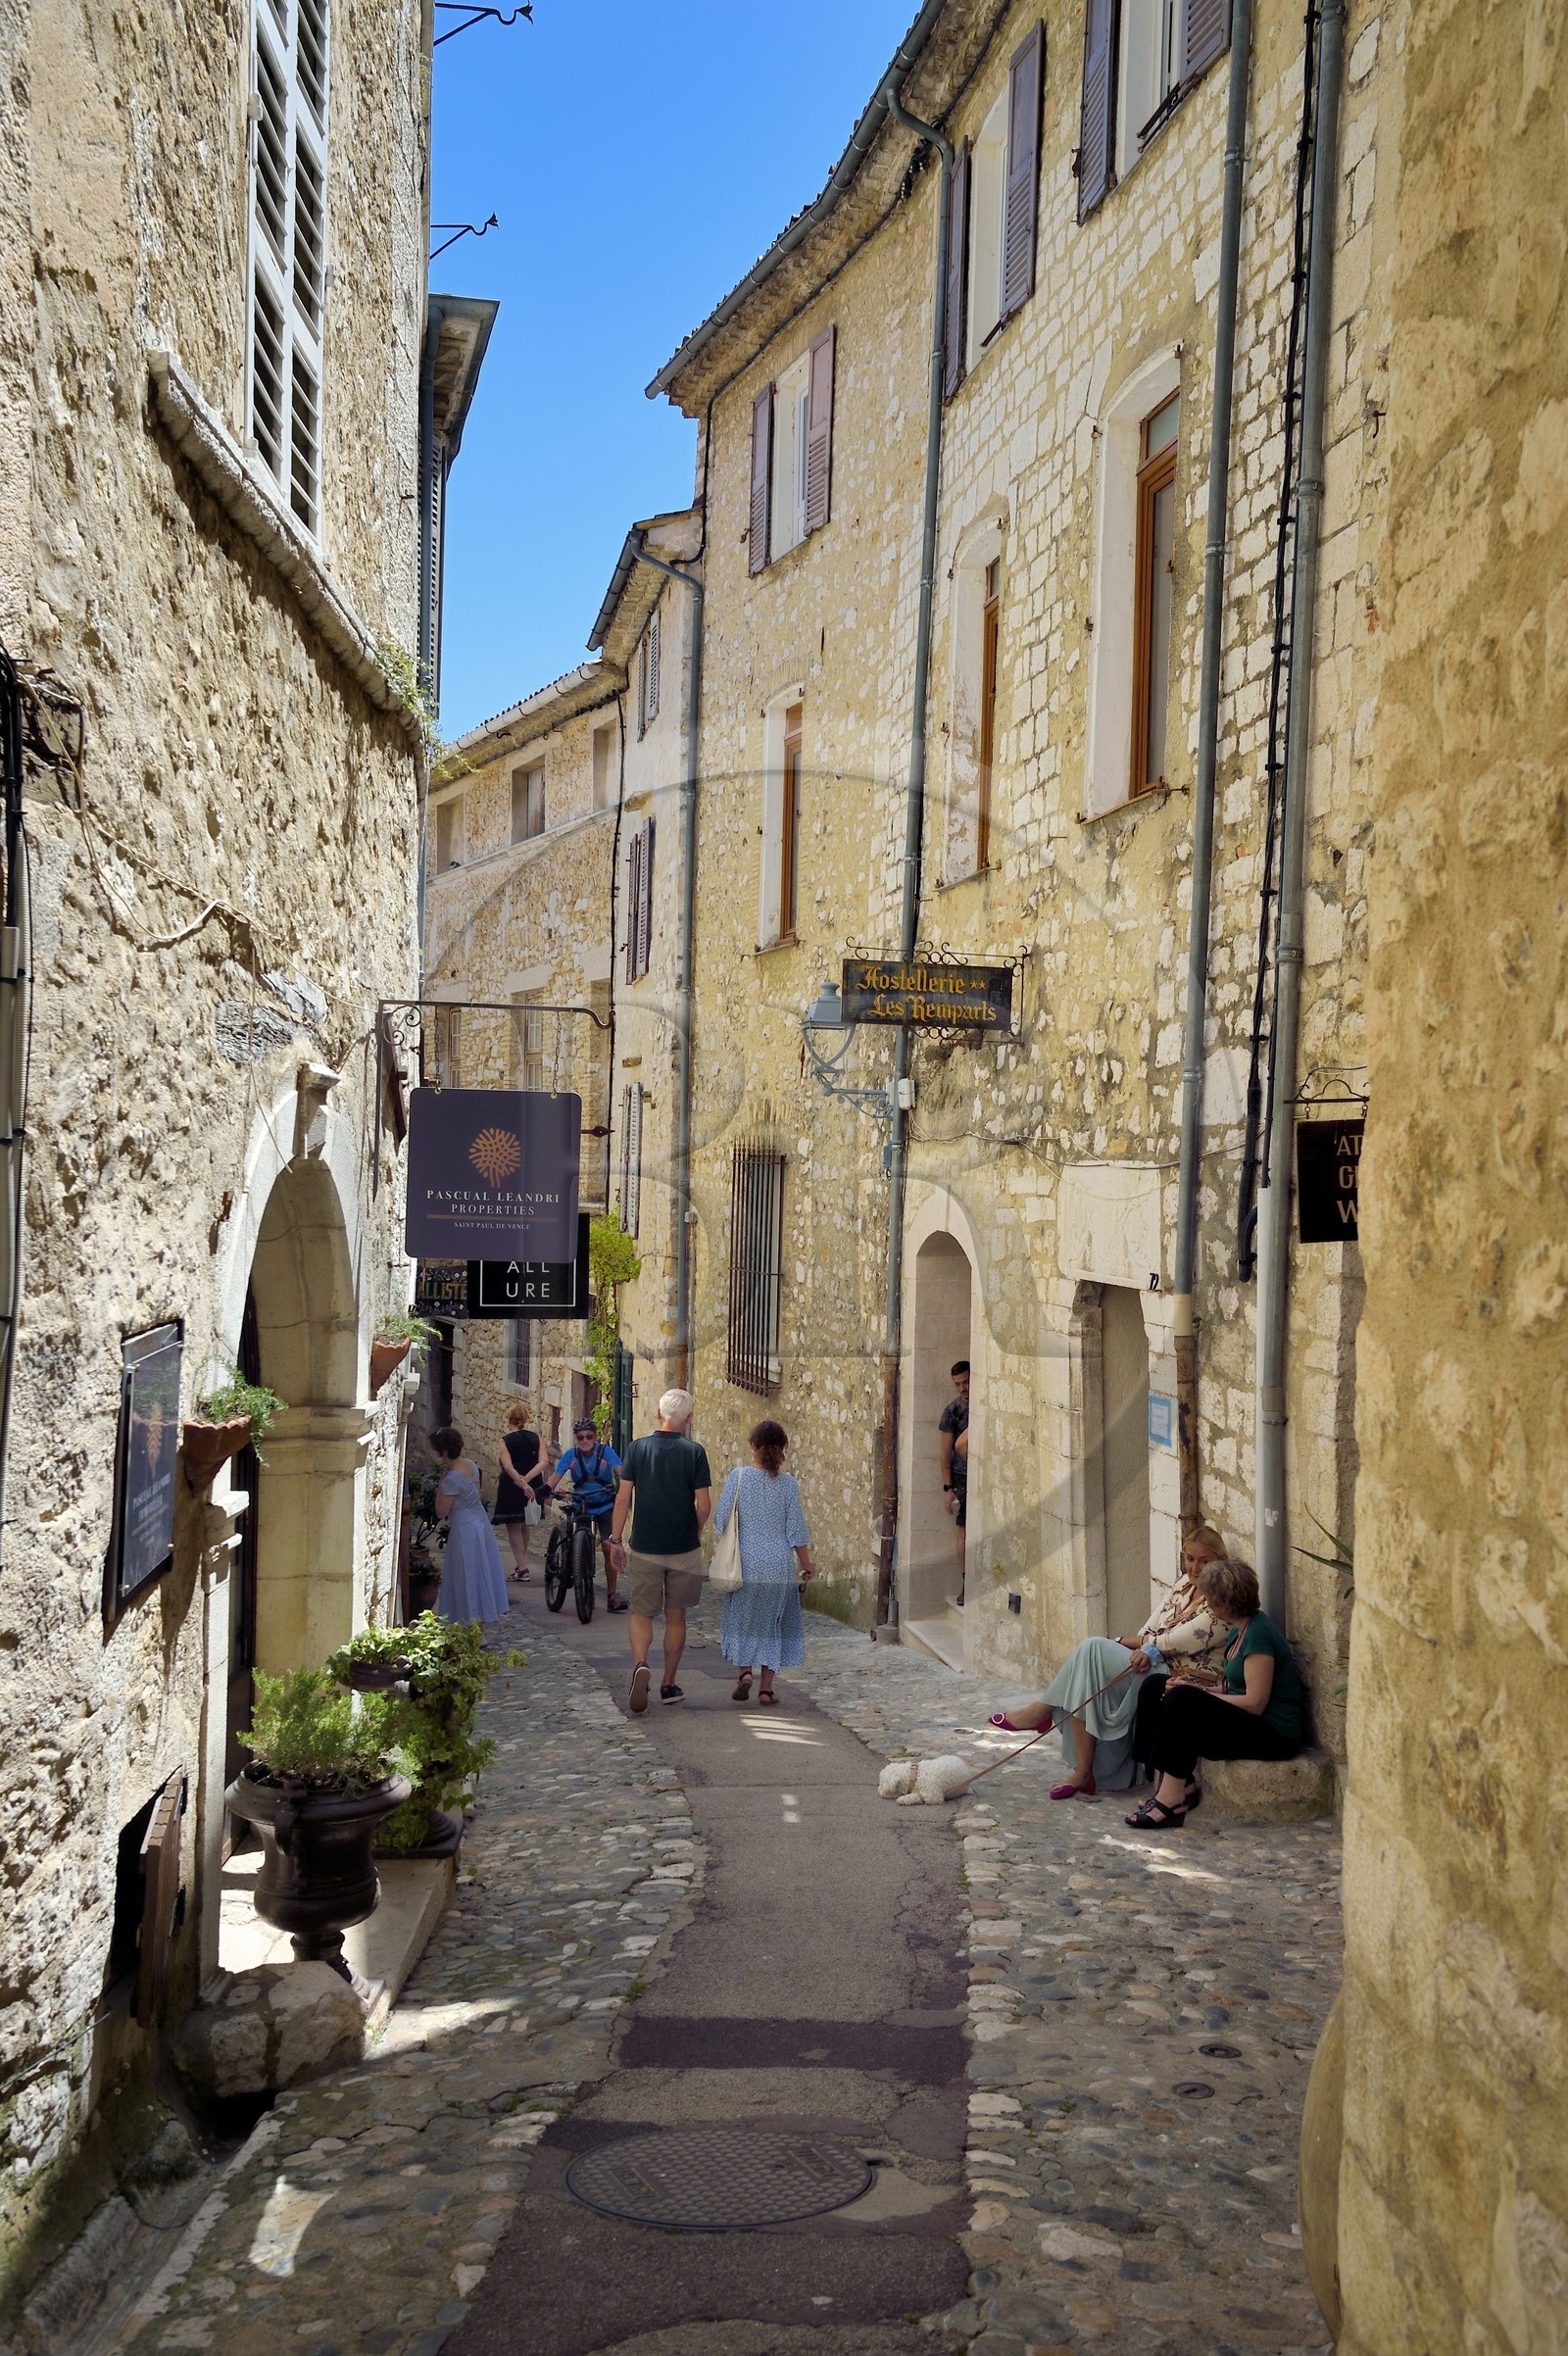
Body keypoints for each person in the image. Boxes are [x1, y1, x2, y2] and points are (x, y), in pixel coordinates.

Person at [988, 1524, 1232, 1796]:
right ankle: (1080, 1768)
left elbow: (1170, 1641)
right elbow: (1150, 1629)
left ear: (1220, 1561)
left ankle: (1047, 1717)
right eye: (1189, 1559)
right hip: (1152, 1660)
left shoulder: (1220, 1602)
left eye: (1204, 1561)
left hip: (1180, 1677)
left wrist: (1120, 1642)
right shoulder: (1183, 1585)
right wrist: (1138, 1644)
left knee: (1092, 1649)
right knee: (1087, 1665)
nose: (1194, 1568)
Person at [1127, 1555, 1305, 1830]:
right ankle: (1172, 1784)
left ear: (1223, 1603)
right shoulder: (1239, 1629)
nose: (1206, 1603)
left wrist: (1198, 1696)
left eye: (1210, 1598)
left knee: (1181, 1700)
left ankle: (1171, 1800)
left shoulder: (1258, 1634)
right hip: (1250, 1719)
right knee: (1158, 1685)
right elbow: (1231, 1686)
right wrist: (1195, 1686)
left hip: (1274, 1733)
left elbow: (1255, 1703)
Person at [609, 1388, 711, 1711]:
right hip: (682, 1546)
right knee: (676, 1616)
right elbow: (704, 1505)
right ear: (689, 1419)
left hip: (645, 1545)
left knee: (642, 1612)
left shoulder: (637, 1449)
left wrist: (614, 1539)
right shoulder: (694, 1452)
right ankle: (668, 1684)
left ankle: (641, 1663)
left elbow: (623, 1498)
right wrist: (692, 1531)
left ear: (658, 1414)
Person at [712, 1419, 815, 1707]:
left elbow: (721, 1520)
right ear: (783, 1449)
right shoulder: (788, 1484)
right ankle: (766, 1690)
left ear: (753, 1446)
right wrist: (807, 1564)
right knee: (774, 1624)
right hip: (778, 1564)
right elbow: (796, 1530)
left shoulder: (739, 1477)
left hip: (744, 1561)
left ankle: (745, 1673)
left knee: (744, 1619)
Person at [430, 1426, 511, 1625]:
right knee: (480, 1573)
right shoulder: (471, 1465)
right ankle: (478, 1626)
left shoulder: (452, 1478)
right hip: (480, 1523)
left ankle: (467, 1623)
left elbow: (441, 1511)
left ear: (444, 1452)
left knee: (466, 1575)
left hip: (464, 1530)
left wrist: (441, 1482)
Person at [545, 1416, 625, 1609]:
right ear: (576, 1439)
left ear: (595, 1437)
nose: (585, 1441)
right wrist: (543, 1491)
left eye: (589, 1437)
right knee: (575, 1538)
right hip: (581, 1504)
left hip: (605, 1504)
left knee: (608, 1546)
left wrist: (624, 1484)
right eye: (580, 1438)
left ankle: (612, 1596)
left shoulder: (606, 1452)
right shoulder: (570, 1456)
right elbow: (555, 1478)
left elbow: (621, 1470)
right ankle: (573, 1566)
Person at [493, 1399, 545, 1583]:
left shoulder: (505, 1441)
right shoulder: (536, 1438)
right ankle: (520, 1565)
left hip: (512, 1486)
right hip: (534, 1483)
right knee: (525, 1524)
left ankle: (523, 1568)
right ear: (525, 1419)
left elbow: (508, 1466)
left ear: (509, 1419)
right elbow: (543, 1462)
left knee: (513, 1527)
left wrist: (522, 1483)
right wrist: (529, 1481)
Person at [939, 1359, 970, 1606]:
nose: (963, 1388)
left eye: (966, 1382)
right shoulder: (952, 1411)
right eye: (958, 1384)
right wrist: (948, 1488)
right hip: (962, 1478)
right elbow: (944, 1453)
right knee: (963, 1531)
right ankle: (965, 1582)